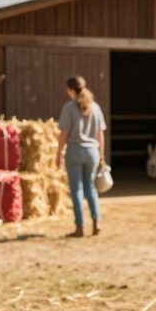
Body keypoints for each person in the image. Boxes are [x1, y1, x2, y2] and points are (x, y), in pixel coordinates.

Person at [56, 75, 107, 238]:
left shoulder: (69, 108)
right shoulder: (96, 107)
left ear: (71, 90)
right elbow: (101, 134)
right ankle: (97, 221)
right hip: (93, 152)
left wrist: (59, 154)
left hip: (75, 152)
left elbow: (64, 134)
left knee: (77, 189)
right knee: (91, 187)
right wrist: (102, 156)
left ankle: (79, 226)